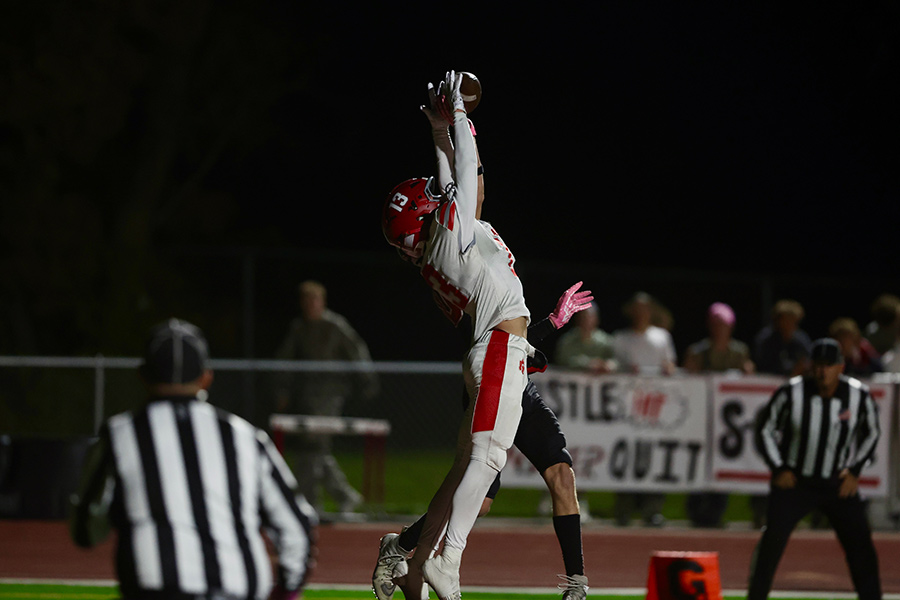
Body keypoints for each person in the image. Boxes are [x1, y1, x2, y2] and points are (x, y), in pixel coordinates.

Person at [380, 70, 539, 600]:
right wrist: (461, 119)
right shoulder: (451, 237)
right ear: (431, 220)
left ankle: (412, 560)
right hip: (499, 344)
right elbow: (466, 173)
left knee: (462, 468)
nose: (439, 197)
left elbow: (455, 181)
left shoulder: (439, 249)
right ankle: (447, 560)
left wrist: (438, 132)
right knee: (487, 460)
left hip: (488, 347)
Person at [372, 284, 594, 600]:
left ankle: (577, 584)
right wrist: (549, 324)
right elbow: (491, 341)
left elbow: (516, 340)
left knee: (562, 475)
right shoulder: (461, 286)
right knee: (481, 502)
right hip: (490, 386)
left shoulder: (493, 279)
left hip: (520, 389)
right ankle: (403, 545)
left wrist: (553, 323)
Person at [70, 319, 316, 600]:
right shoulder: (246, 437)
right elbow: (297, 526)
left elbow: (85, 531)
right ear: (206, 377)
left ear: (142, 376)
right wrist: (287, 589)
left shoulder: (120, 435)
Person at [747, 338, 881, 600]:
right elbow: (764, 429)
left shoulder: (857, 394)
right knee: (771, 544)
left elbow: (873, 433)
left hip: (836, 483)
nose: (822, 372)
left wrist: (854, 471)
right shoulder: (791, 392)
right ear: (810, 367)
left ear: (840, 368)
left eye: (828, 366)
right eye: (818, 365)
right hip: (796, 482)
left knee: (861, 546)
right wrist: (779, 468)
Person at [274, 280, 378, 516]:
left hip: (331, 393)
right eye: (306, 301)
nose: (311, 306)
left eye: (315, 300)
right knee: (313, 448)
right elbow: (285, 360)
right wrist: (282, 391)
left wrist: (366, 379)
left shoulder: (335, 325)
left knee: (314, 444)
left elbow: (356, 350)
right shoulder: (299, 328)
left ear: (322, 302)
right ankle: (337, 496)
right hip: (306, 395)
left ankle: (312, 501)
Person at [682, 302, 754, 528]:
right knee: (696, 461)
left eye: (722, 325)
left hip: (725, 424)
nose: (718, 329)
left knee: (723, 461)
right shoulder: (698, 351)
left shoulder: (739, 352)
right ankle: (695, 511)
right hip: (700, 419)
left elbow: (748, 379)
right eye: (715, 325)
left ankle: (716, 512)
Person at [611, 291, 676, 527]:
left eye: (644, 309)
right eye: (636, 309)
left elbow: (669, 364)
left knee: (654, 456)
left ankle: (652, 509)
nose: (640, 314)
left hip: (655, 409)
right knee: (627, 456)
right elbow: (615, 368)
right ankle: (624, 510)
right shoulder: (621, 338)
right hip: (628, 408)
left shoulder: (661, 337)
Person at [753, 299, 812, 377]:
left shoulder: (801, 339)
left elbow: (807, 362)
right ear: (777, 320)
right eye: (787, 320)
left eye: (793, 320)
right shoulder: (765, 339)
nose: (790, 324)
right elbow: (760, 367)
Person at [554, 302, 617, 374]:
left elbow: (616, 361)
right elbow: (562, 360)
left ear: (596, 319)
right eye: (582, 317)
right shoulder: (567, 340)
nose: (585, 320)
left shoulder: (606, 340)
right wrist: (588, 363)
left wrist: (609, 365)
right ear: (577, 318)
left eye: (589, 316)